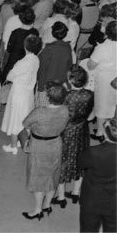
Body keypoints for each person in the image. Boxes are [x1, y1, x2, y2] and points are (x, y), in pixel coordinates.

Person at [22, 81, 70, 220]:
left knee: (38, 177)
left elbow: (25, 123)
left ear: (48, 97)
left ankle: (37, 210)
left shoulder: (40, 112)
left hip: (39, 146)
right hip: (56, 143)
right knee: (52, 175)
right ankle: (47, 205)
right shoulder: (65, 110)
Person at [51, 66, 94, 209]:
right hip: (82, 129)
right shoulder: (90, 94)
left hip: (67, 131)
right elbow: (89, 114)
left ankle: (61, 197)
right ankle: (76, 192)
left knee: (64, 160)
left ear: (71, 80)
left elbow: (60, 115)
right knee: (81, 159)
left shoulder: (66, 95)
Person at [1, 35, 42, 154]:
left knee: (15, 119)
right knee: (24, 117)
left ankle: (13, 146)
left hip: (18, 93)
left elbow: (10, 76)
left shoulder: (22, 62)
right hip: (28, 93)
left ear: (25, 46)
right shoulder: (36, 59)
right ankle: (22, 140)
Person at [78, 117, 117, 232]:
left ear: (105, 134)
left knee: (88, 229)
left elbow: (80, 163)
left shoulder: (94, 151)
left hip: (92, 200)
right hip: (114, 203)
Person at [86, 20, 117, 141]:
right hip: (116, 77)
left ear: (107, 33)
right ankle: (111, 127)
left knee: (101, 104)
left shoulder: (102, 48)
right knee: (113, 103)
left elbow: (91, 65)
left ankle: (100, 132)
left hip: (104, 78)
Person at [36, 21, 73, 106]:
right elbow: (69, 66)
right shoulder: (67, 47)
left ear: (52, 33)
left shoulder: (48, 49)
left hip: (46, 86)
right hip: (61, 85)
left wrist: (40, 88)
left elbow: (42, 69)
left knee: (44, 110)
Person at [2, 5, 38, 79]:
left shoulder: (16, 32)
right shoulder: (35, 32)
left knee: (7, 76)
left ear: (20, 19)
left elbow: (9, 49)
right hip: (27, 59)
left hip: (14, 59)